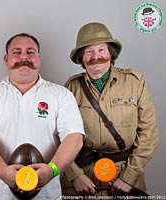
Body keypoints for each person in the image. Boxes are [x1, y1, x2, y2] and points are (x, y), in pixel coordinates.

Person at [0, 32, 85, 200]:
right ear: (6, 59)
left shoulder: (61, 95)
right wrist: (2, 171)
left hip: (47, 194)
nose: (24, 56)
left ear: (39, 58)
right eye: (16, 52)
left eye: (30, 52)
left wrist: (52, 169)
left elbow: (74, 138)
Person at [61, 22, 159, 197]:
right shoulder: (71, 87)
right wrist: (75, 175)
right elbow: (58, 135)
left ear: (111, 53)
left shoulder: (135, 82)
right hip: (83, 181)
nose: (95, 56)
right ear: (81, 57)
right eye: (88, 51)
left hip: (125, 177)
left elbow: (149, 134)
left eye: (101, 50)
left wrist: (129, 178)